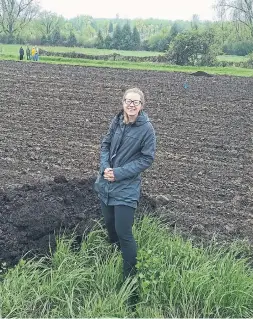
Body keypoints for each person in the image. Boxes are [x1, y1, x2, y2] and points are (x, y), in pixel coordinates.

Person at [94, 87, 156, 280]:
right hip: (106, 184)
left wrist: (118, 173)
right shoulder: (117, 121)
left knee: (124, 232)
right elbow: (105, 145)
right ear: (122, 103)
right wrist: (105, 168)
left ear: (141, 106)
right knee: (110, 226)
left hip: (126, 188)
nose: (131, 105)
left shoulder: (147, 129)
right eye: (128, 101)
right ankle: (115, 256)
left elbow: (147, 159)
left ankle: (129, 278)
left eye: (135, 102)